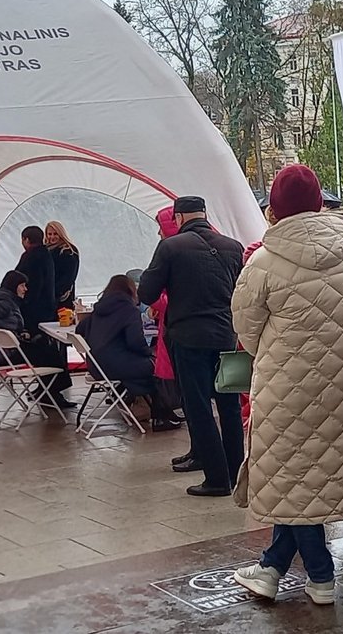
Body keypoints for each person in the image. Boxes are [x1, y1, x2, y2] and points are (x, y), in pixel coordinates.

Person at [230, 164, 343, 606]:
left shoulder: (263, 261)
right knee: (300, 482)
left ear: (274, 209)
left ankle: (320, 575)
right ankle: (272, 567)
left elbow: (247, 330)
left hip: (286, 388)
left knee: (291, 475)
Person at [138, 196, 245, 498]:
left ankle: (216, 478)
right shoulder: (232, 246)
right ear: (205, 214)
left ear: (179, 218)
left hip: (189, 337)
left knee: (198, 406)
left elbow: (147, 291)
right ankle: (237, 472)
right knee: (229, 405)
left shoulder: (171, 247)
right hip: (225, 335)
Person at [76, 275, 179, 431]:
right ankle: (160, 416)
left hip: (96, 365)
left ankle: (156, 410)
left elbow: (79, 329)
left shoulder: (99, 309)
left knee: (145, 368)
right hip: (115, 366)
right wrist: (148, 353)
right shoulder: (129, 310)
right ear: (131, 290)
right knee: (156, 368)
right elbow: (135, 342)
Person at [16, 225, 73, 405]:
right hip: (49, 308)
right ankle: (50, 388)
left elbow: (22, 280)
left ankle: (51, 388)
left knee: (43, 351)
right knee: (49, 350)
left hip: (34, 312)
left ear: (26, 240)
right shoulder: (47, 255)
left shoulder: (30, 257)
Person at [147, 210, 189, 450]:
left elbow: (159, 294)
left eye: (161, 227)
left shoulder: (169, 253)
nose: (158, 233)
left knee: (190, 392)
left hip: (178, 329)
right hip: (203, 329)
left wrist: (156, 303)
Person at [45, 221, 81, 310]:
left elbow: (69, 277)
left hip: (62, 298)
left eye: (55, 234)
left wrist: (56, 292)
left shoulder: (68, 251)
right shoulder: (45, 250)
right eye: (49, 234)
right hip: (49, 296)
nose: (52, 237)